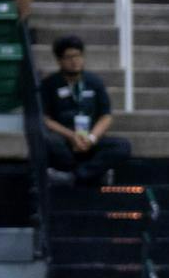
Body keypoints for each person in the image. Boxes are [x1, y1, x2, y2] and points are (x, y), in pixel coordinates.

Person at [38, 35, 132, 189]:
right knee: (49, 142)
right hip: (66, 141)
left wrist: (92, 138)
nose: (75, 61)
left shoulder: (94, 82)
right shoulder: (49, 84)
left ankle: (74, 176)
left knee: (122, 146)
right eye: (69, 57)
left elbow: (106, 116)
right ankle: (95, 174)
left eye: (78, 56)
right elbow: (46, 119)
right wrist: (71, 136)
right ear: (59, 60)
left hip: (90, 139)